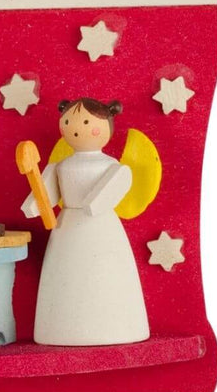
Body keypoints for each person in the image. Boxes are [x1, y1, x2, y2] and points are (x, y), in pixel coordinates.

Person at [21, 98, 150, 345]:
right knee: (67, 278)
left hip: (100, 227)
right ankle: (61, 330)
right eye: (68, 121)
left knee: (106, 275)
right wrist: (34, 205)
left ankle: (120, 327)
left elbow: (115, 185)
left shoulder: (111, 166)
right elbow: (44, 194)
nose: (76, 127)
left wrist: (94, 204)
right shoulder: (61, 166)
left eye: (87, 122)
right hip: (68, 229)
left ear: (107, 126)